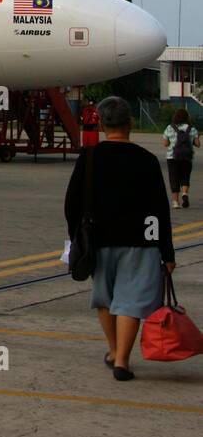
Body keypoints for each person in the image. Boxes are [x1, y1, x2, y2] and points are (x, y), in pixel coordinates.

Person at [64, 96, 175, 382]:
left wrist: (76, 237)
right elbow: (158, 209)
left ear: (101, 125)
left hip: (98, 240)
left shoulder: (88, 158)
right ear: (130, 123)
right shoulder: (147, 160)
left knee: (105, 298)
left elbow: (72, 203)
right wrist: (166, 252)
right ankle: (123, 361)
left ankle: (113, 350)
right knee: (131, 302)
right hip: (140, 240)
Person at [162, 107, 198, 209]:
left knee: (174, 178)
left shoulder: (170, 127)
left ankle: (175, 202)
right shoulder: (192, 129)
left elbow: (165, 143)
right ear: (187, 118)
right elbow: (197, 144)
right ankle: (185, 193)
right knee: (185, 176)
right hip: (187, 157)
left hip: (172, 157)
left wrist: (171, 141)